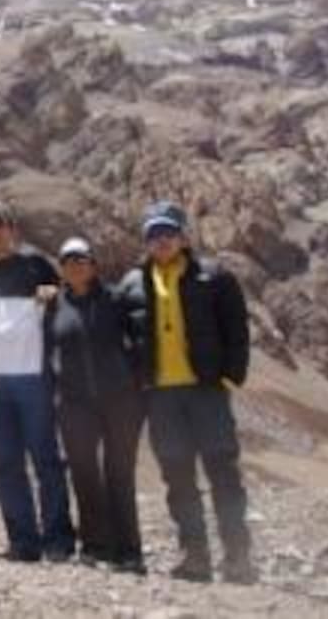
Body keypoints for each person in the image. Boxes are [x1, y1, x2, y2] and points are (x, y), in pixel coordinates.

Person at [119, 201, 257, 584]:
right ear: (145, 240)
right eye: (153, 234)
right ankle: (194, 556)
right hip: (161, 398)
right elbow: (124, 339)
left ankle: (237, 557)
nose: (161, 240)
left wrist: (229, 379)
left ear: (182, 236)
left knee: (223, 474)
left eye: (168, 232)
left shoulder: (214, 277)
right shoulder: (133, 284)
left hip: (206, 391)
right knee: (177, 478)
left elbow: (237, 332)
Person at [0, 205, 74, 563]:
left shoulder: (35, 265)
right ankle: (23, 541)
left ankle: (58, 539)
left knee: (46, 458)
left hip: (33, 377)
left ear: (13, 230)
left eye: (1, 226)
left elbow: (64, 297)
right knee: (6, 462)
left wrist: (50, 294)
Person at [48, 236, 145, 573]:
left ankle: (129, 549)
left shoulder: (115, 299)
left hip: (120, 401)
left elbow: (140, 338)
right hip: (74, 404)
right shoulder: (53, 306)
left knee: (120, 473)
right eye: (68, 260)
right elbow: (44, 349)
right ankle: (95, 544)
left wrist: (135, 380)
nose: (75, 265)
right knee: (85, 474)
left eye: (82, 259)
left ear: (93, 264)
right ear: (60, 268)